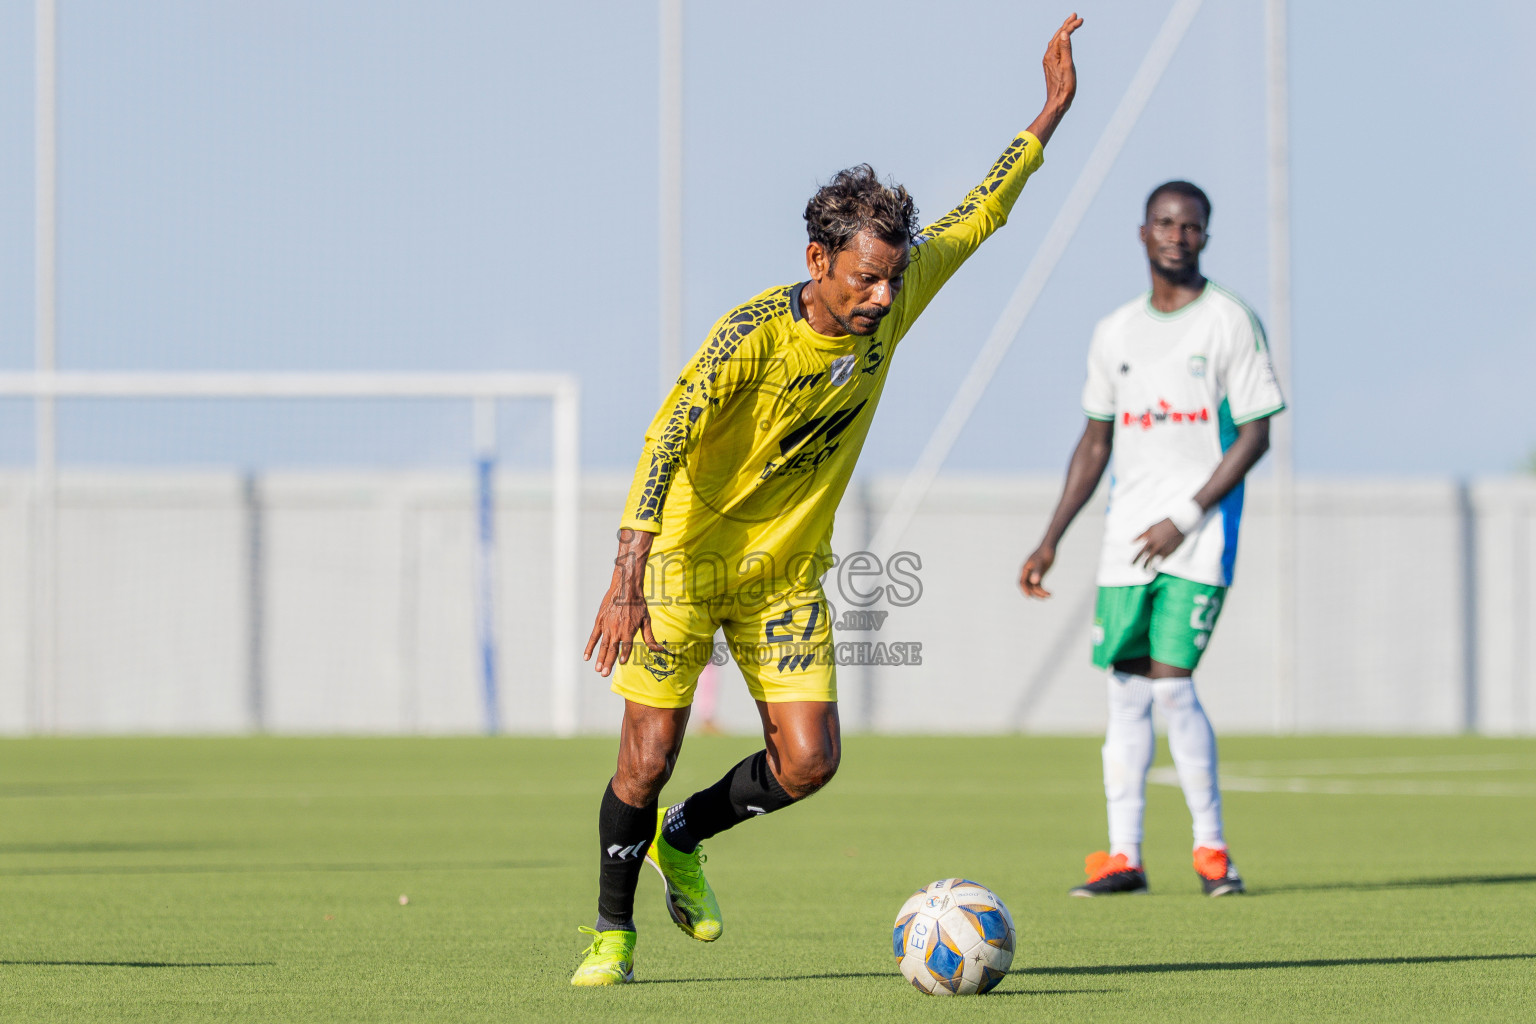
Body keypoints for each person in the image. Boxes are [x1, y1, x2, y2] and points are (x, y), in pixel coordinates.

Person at [571, 14, 1084, 986]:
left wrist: (1048, 113)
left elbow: (983, 212)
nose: (884, 298)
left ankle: (685, 837)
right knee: (644, 758)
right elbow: (664, 438)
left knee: (809, 762)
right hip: (683, 564)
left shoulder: (895, 296)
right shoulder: (751, 337)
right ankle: (613, 934)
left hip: (782, 582)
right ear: (819, 262)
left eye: (893, 278)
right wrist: (626, 575)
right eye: (866, 279)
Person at [1018, 180, 1285, 898]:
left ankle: (1211, 852)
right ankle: (1123, 856)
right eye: (1164, 223)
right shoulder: (1116, 332)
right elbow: (1095, 442)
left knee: (1171, 687)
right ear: (1143, 233)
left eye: (1190, 226)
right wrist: (1052, 538)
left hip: (1198, 540)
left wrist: (1188, 517)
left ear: (1205, 236)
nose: (1176, 236)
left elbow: (1256, 432)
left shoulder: (1229, 322)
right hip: (1124, 542)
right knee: (1126, 694)